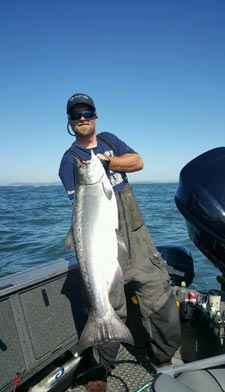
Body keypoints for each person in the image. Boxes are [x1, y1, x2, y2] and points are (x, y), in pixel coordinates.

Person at [59, 93, 181, 392]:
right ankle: (100, 370)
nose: (83, 118)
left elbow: (137, 162)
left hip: (137, 240)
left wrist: (109, 161)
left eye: (87, 112)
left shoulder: (110, 141)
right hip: (102, 244)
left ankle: (162, 360)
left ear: (96, 116)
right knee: (109, 306)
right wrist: (92, 169)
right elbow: (82, 212)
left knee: (160, 300)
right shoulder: (68, 161)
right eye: (76, 115)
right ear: (70, 123)